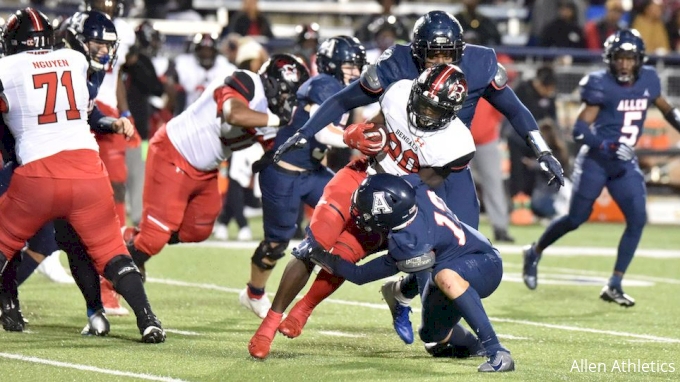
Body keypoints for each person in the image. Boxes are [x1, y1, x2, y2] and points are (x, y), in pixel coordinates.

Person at [273, 10, 564, 342]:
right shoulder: (397, 65)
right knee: (413, 248)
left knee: (459, 253)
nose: (440, 59)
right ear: (416, 50)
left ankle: (401, 293)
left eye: (447, 53)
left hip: (449, 167)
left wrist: (543, 150)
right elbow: (345, 98)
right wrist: (307, 131)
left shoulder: (479, 64)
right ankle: (438, 327)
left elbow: (514, 109)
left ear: (460, 50)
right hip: (404, 170)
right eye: (432, 52)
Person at [249, 63, 477, 359]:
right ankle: (269, 323)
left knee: (341, 257)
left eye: (434, 110)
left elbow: (422, 186)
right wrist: (358, 133)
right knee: (313, 246)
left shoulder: (457, 144)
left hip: (393, 204)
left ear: (449, 113)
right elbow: (375, 126)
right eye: (422, 102)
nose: (424, 112)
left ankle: (305, 307)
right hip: (360, 174)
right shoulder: (398, 92)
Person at [0, 7, 165, 343]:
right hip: (88, 171)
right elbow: (84, 110)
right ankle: (147, 319)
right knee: (111, 253)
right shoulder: (74, 61)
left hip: (37, 173)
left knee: (8, 242)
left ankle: (11, 300)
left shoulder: (7, 67)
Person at [523, 29, 680, 307]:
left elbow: (667, 109)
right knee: (575, 218)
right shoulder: (599, 84)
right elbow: (580, 130)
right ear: (610, 59)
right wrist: (606, 145)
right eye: (619, 58)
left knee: (637, 219)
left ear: (639, 60)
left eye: (630, 59)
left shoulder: (649, 80)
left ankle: (615, 283)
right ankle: (534, 251)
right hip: (596, 160)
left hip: (623, 163)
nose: (624, 64)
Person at [301, 173, 514, 372]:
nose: (360, 212)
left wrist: (321, 255)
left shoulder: (409, 242)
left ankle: (498, 352)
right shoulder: (413, 185)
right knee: (431, 335)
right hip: (464, 251)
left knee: (443, 274)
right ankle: (473, 345)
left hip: (484, 264)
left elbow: (360, 275)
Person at [122, 54, 309, 280]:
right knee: (155, 238)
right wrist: (278, 121)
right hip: (174, 152)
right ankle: (118, 269)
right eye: (289, 92)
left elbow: (277, 152)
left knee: (198, 229)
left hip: (205, 170)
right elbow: (234, 113)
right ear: (273, 83)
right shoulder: (247, 82)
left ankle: (133, 241)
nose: (290, 101)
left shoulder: (271, 115)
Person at [238, 36, 367, 319]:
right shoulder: (324, 84)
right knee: (277, 241)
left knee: (354, 205)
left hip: (312, 172)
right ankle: (253, 293)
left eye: (358, 65)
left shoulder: (339, 87)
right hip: (283, 172)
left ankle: (330, 257)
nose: (356, 72)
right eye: (349, 65)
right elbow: (322, 132)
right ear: (332, 64)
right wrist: (355, 137)